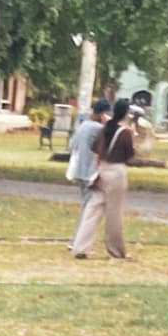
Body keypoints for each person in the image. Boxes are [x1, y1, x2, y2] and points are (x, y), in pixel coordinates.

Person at [69, 97, 134, 260]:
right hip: (117, 172)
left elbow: (95, 149)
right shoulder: (124, 132)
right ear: (126, 113)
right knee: (114, 213)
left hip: (101, 170)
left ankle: (80, 246)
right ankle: (116, 249)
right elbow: (129, 155)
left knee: (93, 209)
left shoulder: (104, 129)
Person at [64, 96, 111, 230]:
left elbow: (72, 145)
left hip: (80, 170)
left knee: (87, 205)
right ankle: (77, 241)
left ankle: (78, 240)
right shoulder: (98, 129)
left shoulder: (83, 126)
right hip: (91, 172)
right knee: (89, 210)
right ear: (103, 113)